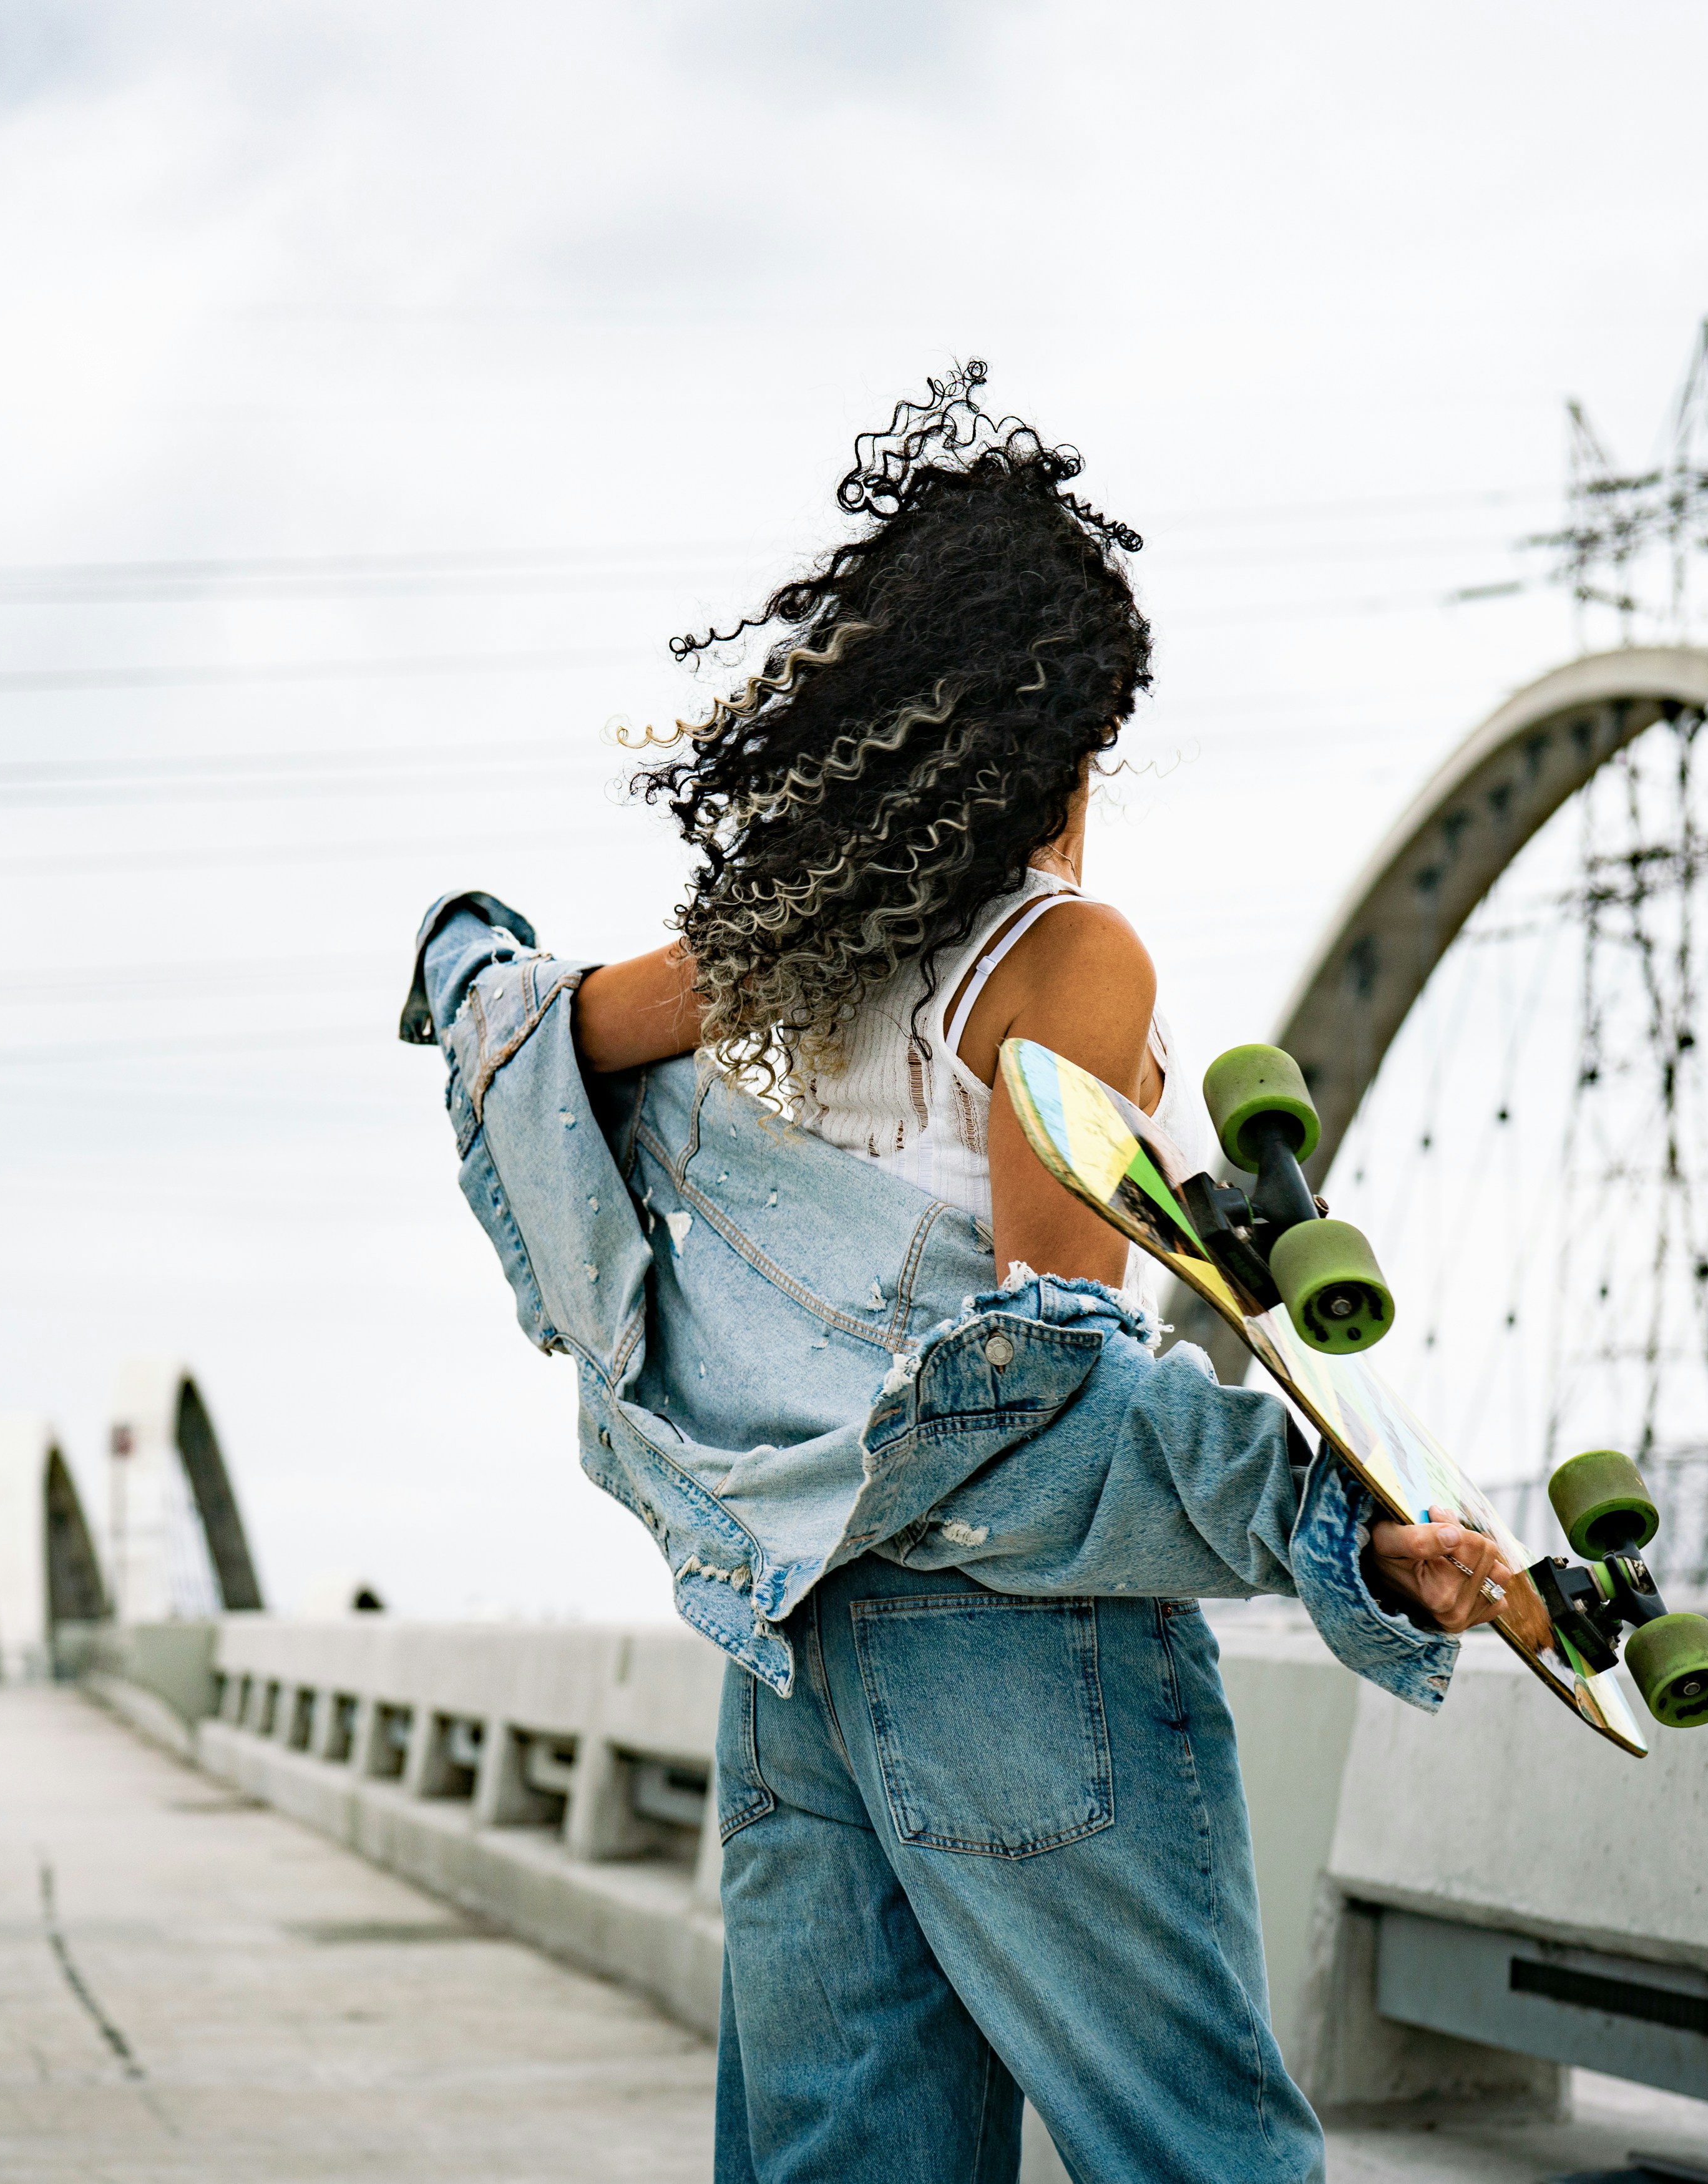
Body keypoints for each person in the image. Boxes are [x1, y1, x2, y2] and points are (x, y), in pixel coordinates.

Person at [557, 366, 1510, 2180]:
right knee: (1196, 2150)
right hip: (1011, 1648)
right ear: (1069, 733)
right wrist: (1332, 1525)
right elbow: (1034, 1397)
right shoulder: (1066, 961)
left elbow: (552, 1046)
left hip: (794, 1636)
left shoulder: (783, 963)